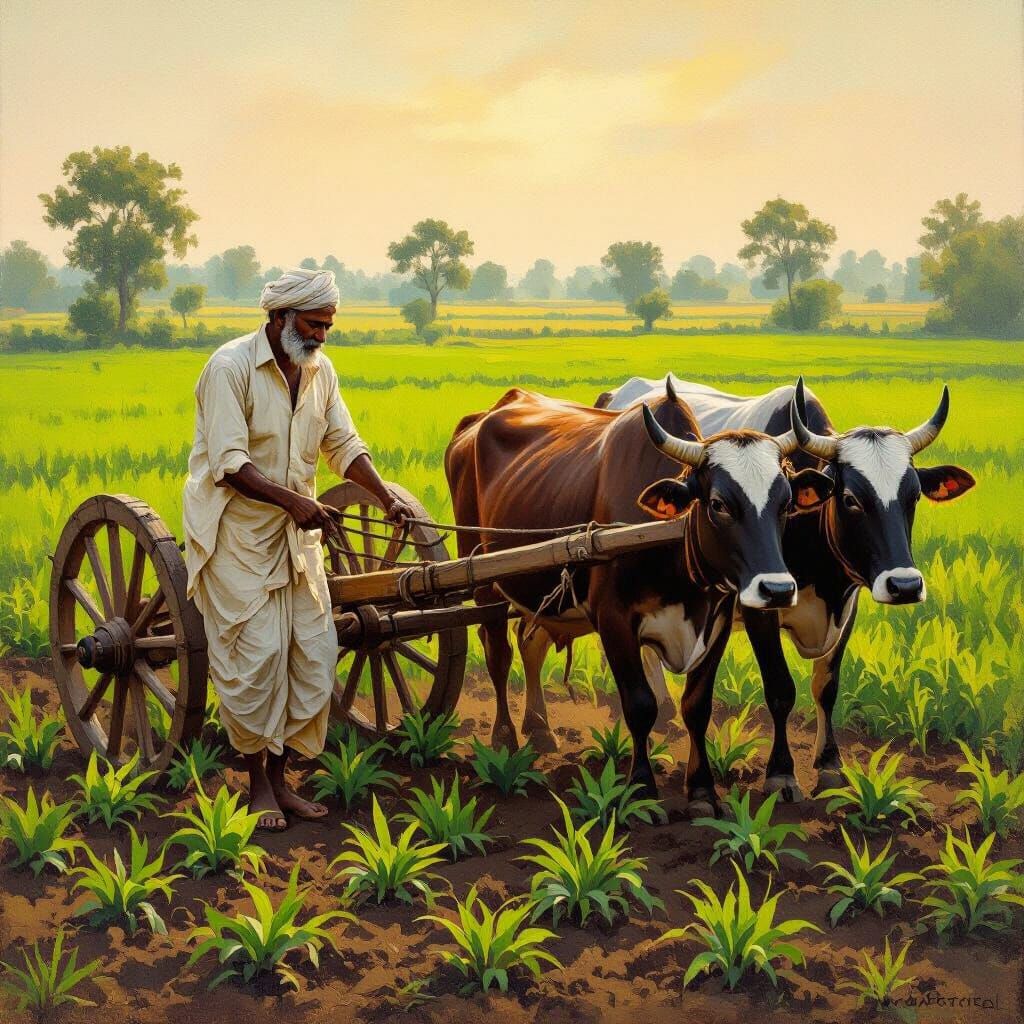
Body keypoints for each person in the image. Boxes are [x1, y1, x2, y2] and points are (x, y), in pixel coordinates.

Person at [182, 267, 413, 830]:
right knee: (256, 659)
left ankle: (283, 784)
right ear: (280, 317)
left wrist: (385, 498)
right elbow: (229, 463)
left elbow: (343, 443)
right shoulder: (229, 368)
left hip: (296, 535)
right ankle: (259, 787)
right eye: (314, 324)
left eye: (328, 326)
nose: (322, 336)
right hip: (238, 534)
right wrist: (294, 503)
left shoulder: (318, 371)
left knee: (309, 654)